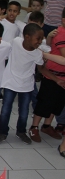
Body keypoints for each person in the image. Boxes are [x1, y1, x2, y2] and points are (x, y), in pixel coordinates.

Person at [0, 24, 46, 145]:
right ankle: (2, 132)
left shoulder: (37, 53)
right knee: (6, 109)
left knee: (24, 111)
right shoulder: (16, 42)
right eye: (38, 38)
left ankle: (21, 131)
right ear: (27, 37)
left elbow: (41, 68)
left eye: (42, 39)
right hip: (10, 82)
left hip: (26, 85)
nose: (40, 41)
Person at [28, 8, 65, 143]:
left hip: (63, 77)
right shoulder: (60, 33)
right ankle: (34, 126)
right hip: (52, 75)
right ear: (63, 20)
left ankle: (47, 125)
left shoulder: (56, 33)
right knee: (45, 102)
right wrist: (45, 54)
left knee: (57, 103)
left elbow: (49, 43)